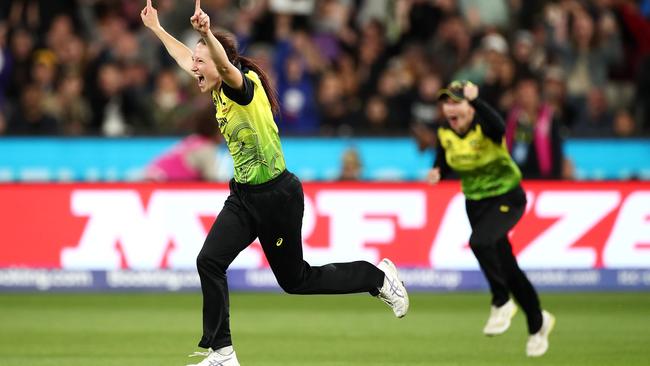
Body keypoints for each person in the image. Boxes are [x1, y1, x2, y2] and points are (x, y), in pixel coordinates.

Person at [140, 1, 408, 365]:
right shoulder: (216, 85)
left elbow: (219, 64)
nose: (194, 69)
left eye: (201, 63)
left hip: (277, 196)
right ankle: (223, 353)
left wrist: (206, 33)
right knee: (210, 261)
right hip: (244, 196)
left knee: (295, 280)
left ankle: (377, 278)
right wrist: (157, 28)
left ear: (221, 64)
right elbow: (186, 57)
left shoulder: (240, 86)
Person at [428, 80, 554, 357]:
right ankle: (538, 323)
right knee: (508, 269)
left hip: (507, 197)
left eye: (456, 102)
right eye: (446, 103)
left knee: (480, 242)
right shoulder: (445, 132)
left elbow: (499, 128)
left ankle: (501, 302)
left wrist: (479, 101)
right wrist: (438, 170)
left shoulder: (485, 125)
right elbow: (445, 159)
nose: (450, 108)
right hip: (476, 205)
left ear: (470, 107)